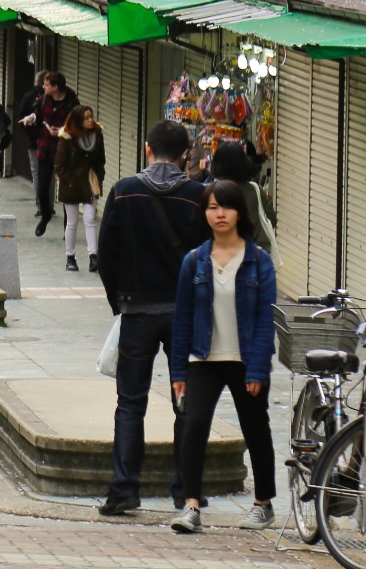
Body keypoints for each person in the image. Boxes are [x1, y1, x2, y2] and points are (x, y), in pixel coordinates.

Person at [97, 120, 214, 516]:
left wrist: (120, 301)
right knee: (187, 404)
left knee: (130, 403)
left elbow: (106, 252)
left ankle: (123, 489)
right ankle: (185, 491)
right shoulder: (199, 196)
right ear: (186, 155)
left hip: (137, 311)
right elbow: (210, 257)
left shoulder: (124, 191)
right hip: (184, 314)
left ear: (147, 149)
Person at [168, 179, 279, 534]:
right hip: (204, 358)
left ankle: (263, 503)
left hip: (245, 359)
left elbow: (265, 320)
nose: (220, 214)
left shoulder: (259, 262)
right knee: (194, 426)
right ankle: (191, 505)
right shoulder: (194, 261)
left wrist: (258, 370)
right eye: (212, 207)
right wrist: (177, 372)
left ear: (239, 213)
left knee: (255, 428)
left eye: (226, 207)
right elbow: (182, 318)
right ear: (204, 213)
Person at [19, 70, 78, 235]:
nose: (42, 87)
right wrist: (31, 119)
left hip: (65, 148)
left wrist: (61, 131)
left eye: (46, 85)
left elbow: (77, 125)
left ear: (56, 87)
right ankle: (45, 216)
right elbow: (38, 115)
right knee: (42, 187)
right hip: (46, 147)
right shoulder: (44, 99)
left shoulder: (71, 103)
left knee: (66, 189)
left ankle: (69, 227)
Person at [53, 105, 106, 272]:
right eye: (87, 118)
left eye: (91, 116)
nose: (91, 120)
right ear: (78, 120)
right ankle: (70, 256)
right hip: (71, 183)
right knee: (72, 221)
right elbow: (59, 165)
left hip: (89, 181)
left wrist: (99, 177)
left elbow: (100, 161)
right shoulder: (67, 138)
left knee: (90, 219)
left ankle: (93, 257)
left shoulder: (97, 135)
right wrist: (70, 179)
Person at [208, 141, 274, 250]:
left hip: (222, 252)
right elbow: (271, 219)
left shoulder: (211, 192)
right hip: (255, 252)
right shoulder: (255, 190)